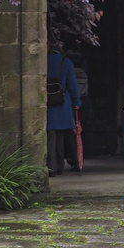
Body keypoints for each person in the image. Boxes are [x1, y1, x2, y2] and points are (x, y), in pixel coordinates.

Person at [46, 43, 81, 176]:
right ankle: (59, 165)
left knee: (51, 134)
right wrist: (76, 101)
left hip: (48, 102)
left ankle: (51, 166)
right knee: (61, 135)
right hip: (62, 102)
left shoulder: (45, 61)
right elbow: (72, 84)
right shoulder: (66, 62)